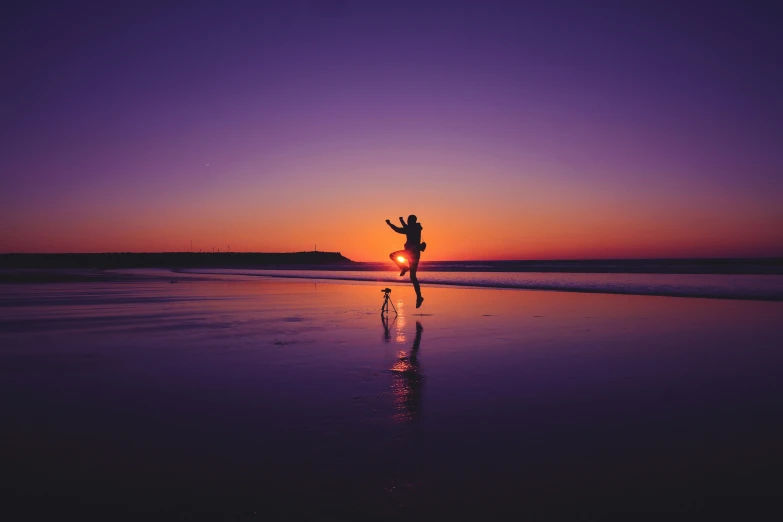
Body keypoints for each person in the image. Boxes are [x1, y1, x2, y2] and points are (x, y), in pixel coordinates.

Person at [385, 215, 426, 308]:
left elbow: (400, 229)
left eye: (408, 220)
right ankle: (419, 297)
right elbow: (405, 227)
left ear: (411, 221)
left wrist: (390, 224)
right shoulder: (416, 228)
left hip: (410, 253)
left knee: (392, 255)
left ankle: (403, 267)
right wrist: (401, 221)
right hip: (416, 254)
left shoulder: (411, 229)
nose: (407, 222)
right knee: (413, 277)